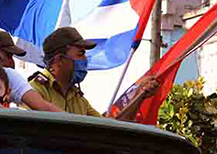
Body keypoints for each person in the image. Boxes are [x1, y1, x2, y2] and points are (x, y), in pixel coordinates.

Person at [29, 27, 159, 120]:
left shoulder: (78, 98)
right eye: (80, 54)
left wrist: (139, 95)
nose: (85, 60)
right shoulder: (34, 90)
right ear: (59, 60)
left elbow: (111, 131)